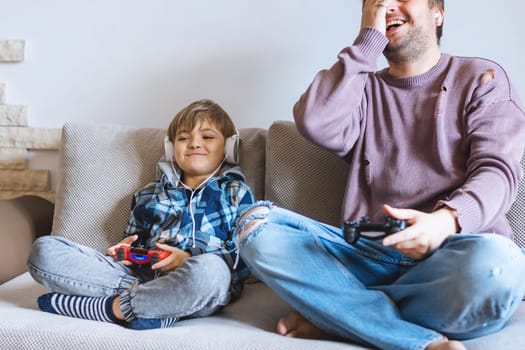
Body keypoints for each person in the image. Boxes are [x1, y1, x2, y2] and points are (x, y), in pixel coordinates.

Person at [233, 0, 525, 349]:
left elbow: (498, 171)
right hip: (368, 258)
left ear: (438, 12)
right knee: (255, 225)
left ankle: (343, 314)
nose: (388, 5)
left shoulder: (481, 78)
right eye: (378, 1)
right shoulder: (361, 91)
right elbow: (314, 121)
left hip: (453, 253)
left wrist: (445, 222)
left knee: (502, 265)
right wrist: (367, 41)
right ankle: (412, 338)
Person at [27, 99, 254, 330]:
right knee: (44, 251)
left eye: (207, 137)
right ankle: (156, 306)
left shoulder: (236, 192)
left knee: (209, 271)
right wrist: (126, 251)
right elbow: (136, 242)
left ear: (228, 147)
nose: (194, 144)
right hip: (144, 276)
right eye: (184, 138)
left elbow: (245, 256)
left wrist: (186, 258)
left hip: (199, 278)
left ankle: (112, 309)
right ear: (171, 148)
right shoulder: (149, 194)